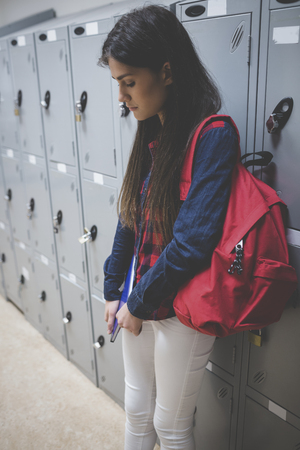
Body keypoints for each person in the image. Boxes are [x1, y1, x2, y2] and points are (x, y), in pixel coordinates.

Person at [99, 5, 238, 450]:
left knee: (171, 424)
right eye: (117, 83)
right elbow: (131, 216)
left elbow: (193, 243)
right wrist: (112, 287)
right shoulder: (150, 126)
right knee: (137, 411)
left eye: (129, 82)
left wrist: (135, 304)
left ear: (167, 71)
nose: (121, 96)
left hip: (181, 305)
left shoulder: (214, 135)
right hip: (138, 296)